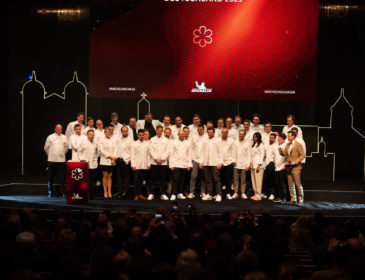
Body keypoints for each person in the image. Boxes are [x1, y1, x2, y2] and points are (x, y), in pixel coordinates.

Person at [279, 131, 305, 206]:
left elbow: (302, 155)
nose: (288, 137)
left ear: (293, 136)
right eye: (287, 136)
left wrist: (296, 162)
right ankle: (293, 199)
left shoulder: (298, 144)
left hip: (296, 167)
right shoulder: (287, 144)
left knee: (297, 184)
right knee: (290, 184)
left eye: (289, 136)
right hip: (289, 167)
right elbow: (285, 153)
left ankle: (300, 199)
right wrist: (281, 152)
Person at [44, 124, 68, 197]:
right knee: (51, 177)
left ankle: (62, 192)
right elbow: (46, 148)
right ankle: (50, 191)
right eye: (58, 129)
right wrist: (51, 154)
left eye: (60, 129)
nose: (59, 130)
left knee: (61, 177)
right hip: (52, 160)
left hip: (61, 160)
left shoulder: (65, 137)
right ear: (55, 129)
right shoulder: (50, 137)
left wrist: (61, 153)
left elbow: (66, 148)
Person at [199, 127, 223, 202]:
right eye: (208, 132)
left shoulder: (218, 140)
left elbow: (221, 152)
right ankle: (210, 194)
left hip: (215, 163)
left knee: (216, 179)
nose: (209, 133)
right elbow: (202, 151)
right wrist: (201, 162)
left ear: (214, 132)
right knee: (208, 180)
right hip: (206, 163)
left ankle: (219, 194)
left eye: (211, 132)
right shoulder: (204, 140)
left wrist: (220, 162)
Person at [148, 125, 170, 200]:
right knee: (153, 179)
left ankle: (163, 194)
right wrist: (156, 158)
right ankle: (151, 193)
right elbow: (151, 150)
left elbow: (168, 151)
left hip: (163, 163)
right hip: (154, 162)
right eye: (158, 130)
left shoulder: (166, 140)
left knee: (163, 179)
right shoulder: (152, 139)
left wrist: (162, 159)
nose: (159, 132)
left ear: (162, 131)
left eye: (161, 130)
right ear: (156, 131)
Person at [169, 130, 192, 201]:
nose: (182, 135)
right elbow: (171, 154)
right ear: (178, 134)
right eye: (180, 134)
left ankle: (180, 193)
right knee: (175, 180)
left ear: (184, 134)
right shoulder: (174, 142)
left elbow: (190, 154)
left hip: (185, 164)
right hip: (176, 164)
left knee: (182, 180)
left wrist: (189, 164)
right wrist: (171, 165)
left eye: (183, 134)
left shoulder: (187, 143)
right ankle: (173, 194)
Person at [228, 129, 251, 200]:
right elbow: (232, 153)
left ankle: (243, 193)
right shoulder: (235, 142)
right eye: (240, 134)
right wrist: (232, 161)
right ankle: (235, 192)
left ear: (244, 135)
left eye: (242, 134)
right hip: (236, 164)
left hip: (244, 164)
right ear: (238, 134)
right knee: (235, 179)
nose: (241, 135)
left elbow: (248, 155)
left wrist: (248, 164)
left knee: (243, 179)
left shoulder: (247, 143)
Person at [113, 126, 133, 198]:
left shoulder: (131, 140)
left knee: (126, 177)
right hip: (119, 160)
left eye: (126, 131)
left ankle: (125, 191)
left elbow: (132, 151)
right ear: (121, 132)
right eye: (123, 131)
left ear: (128, 132)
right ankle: (119, 191)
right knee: (118, 177)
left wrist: (130, 159)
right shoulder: (118, 139)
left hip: (126, 161)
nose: (125, 132)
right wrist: (114, 158)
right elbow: (116, 149)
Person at [78, 130, 98, 198]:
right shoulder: (83, 142)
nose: (92, 136)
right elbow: (79, 152)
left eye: (93, 134)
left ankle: (91, 195)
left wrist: (95, 160)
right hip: (85, 164)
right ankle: (85, 194)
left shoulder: (95, 143)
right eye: (91, 134)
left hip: (93, 165)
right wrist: (82, 160)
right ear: (87, 135)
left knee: (92, 181)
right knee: (85, 181)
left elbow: (97, 153)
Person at [131, 129, 150, 200]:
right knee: (136, 181)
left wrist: (148, 164)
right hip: (137, 165)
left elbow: (148, 155)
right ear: (138, 135)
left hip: (144, 165)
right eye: (140, 135)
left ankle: (140, 194)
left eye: (143, 135)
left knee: (142, 181)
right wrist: (133, 165)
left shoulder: (147, 144)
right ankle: (136, 194)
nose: (141, 136)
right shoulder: (134, 144)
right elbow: (132, 155)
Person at [189, 124, 207, 199]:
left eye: (201, 129)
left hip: (204, 160)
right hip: (195, 159)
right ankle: (191, 193)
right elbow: (191, 149)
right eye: (198, 129)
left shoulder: (206, 137)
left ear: (203, 129)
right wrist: (191, 160)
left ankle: (203, 192)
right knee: (193, 176)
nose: (199, 131)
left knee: (203, 177)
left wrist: (202, 161)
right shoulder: (194, 137)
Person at [98, 127, 116, 198]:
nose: (108, 133)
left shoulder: (113, 140)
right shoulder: (101, 140)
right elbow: (102, 151)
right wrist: (110, 157)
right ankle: (105, 192)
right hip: (105, 161)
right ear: (104, 133)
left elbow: (116, 149)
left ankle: (109, 192)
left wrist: (114, 158)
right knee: (105, 176)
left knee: (110, 177)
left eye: (109, 132)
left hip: (112, 161)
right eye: (107, 132)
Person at [220, 128, 236, 199]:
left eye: (226, 132)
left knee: (228, 179)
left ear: (227, 133)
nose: (224, 133)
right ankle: (219, 194)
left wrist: (233, 161)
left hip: (229, 162)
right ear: (221, 133)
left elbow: (234, 151)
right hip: (220, 162)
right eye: (223, 132)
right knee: (220, 179)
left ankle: (228, 193)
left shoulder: (231, 140)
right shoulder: (218, 140)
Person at [272, 133, 287, 203]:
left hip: (282, 167)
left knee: (282, 184)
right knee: (277, 183)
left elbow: (287, 157)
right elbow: (274, 156)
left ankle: (284, 197)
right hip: (276, 167)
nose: (279, 140)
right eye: (278, 138)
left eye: (280, 138)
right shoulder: (275, 146)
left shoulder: (285, 146)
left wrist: (285, 165)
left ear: (284, 139)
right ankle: (279, 197)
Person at [250, 132, 265, 201]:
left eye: (256, 137)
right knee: (254, 180)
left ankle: (258, 194)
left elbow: (262, 156)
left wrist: (259, 165)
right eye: (254, 137)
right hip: (253, 165)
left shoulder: (261, 145)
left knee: (258, 181)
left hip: (258, 166)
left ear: (259, 138)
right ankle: (255, 193)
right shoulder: (253, 145)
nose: (254, 138)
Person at [262, 133, 277, 200]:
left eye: (272, 138)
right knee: (265, 179)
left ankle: (272, 194)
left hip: (272, 164)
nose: (271, 139)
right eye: (270, 138)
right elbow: (265, 155)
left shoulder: (276, 146)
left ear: (275, 139)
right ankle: (264, 193)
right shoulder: (266, 145)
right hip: (266, 164)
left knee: (272, 181)